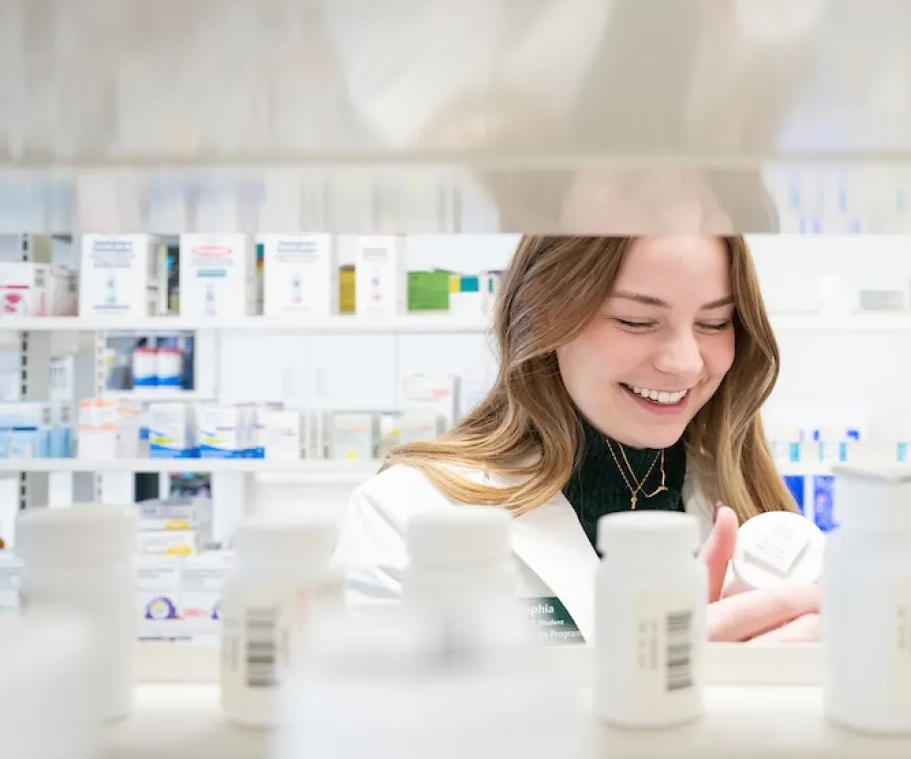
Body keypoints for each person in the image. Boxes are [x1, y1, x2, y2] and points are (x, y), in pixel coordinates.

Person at [335, 234, 821, 644]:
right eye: (635, 320)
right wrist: (649, 682)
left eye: (715, 323)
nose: (686, 363)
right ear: (544, 312)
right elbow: (368, 743)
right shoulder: (407, 516)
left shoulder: (757, 519)